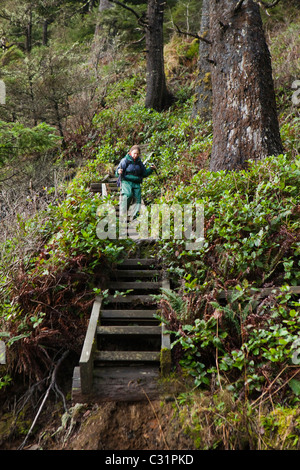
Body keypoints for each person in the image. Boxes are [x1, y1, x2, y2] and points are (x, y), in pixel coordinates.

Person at [116, 145, 156, 220]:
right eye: (134, 153)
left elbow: (144, 173)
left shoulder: (139, 162)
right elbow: (117, 172)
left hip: (136, 182)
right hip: (126, 181)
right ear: (130, 152)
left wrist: (150, 169)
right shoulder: (125, 160)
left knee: (138, 199)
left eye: (137, 154)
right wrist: (119, 172)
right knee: (128, 195)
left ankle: (135, 218)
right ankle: (123, 214)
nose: (136, 155)